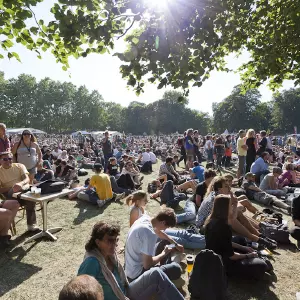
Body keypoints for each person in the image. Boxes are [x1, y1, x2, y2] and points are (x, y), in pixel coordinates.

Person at [78, 221, 184, 300]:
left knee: (156, 274)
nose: (114, 244)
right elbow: (81, 292)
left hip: (124, 293)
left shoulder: (109, 254)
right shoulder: (92, 262)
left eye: (115, 240)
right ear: (97, 242)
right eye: (109, 240)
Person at [196, 176, 276, 249]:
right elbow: (231, 217)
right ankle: (256, 238)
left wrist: (234, 203)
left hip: (212, 222)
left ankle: (258, 235)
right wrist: (234, 203)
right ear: (219, 189)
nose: (229, 188)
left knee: (238, 214)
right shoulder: (217, 199)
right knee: (232, 218)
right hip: (203, 227)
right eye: (226, 186)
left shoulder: (219, 195)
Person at [205, 194, 271, 279]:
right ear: (225, 208)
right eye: (231, 205)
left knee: (240, 239)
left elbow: (226, 241)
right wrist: (248, 255)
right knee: (261, 266)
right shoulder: (223, 227)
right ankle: (252, 260)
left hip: (217, 254)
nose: (232, 208)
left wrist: (244, 248)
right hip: (222, 263)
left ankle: (251, 257)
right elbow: (231, 256)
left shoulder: (213, 219)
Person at [125, 208, 183, 282]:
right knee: (177, 269)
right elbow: (147, 265)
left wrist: (175, 244)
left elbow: (158, 232)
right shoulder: (149, 234)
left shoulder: (145, 218)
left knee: (166, 242)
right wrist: (164, 253)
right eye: (166, 227)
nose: (165, 230)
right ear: (163, 222)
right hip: (136, 275)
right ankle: (169, 266)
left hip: (130, 267)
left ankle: (166, 266)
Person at [0, 151, 38, 232]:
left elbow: (27, 179)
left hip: (23, 189)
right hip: (9, 194)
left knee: (33, 194)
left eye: (10, 158)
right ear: (0, 161)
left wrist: (20, 184)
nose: (8, 161)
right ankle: (31, 225)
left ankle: (31, 225)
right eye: (5, 159)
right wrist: (12, 187)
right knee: (31, 197)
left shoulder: (19, 166)